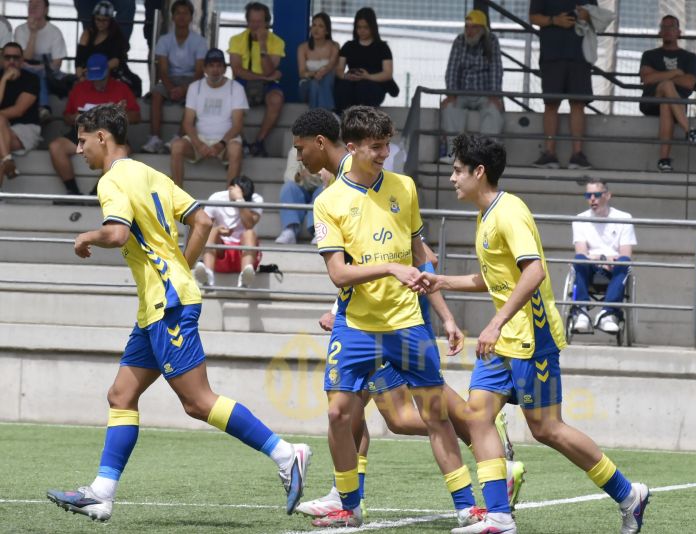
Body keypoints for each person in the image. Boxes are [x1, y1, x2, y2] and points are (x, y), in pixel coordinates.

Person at [44, 103, 310, 523]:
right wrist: (180, 270)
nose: (78, 150)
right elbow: (202, 221)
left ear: (101, 137)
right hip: (159, 302)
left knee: (198, 402)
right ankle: (101, 492)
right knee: (121, 395)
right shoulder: (151, 174)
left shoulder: (112, 180)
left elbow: (116, 233)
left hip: (166, 303)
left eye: (81, 140)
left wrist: (87, 236)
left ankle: (285, 453)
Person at [416, 134, 649, 534]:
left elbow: (534, 271)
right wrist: (441, 282)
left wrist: (495, 322)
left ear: (479, 172)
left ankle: (629, 494)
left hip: (530, 338)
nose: (452, 178)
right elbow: (495, 279)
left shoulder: (510, 212)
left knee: (547, 429)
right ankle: (499, 517)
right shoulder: (485, 213)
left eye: (457, 171)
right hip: (504, 339)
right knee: (478, 418)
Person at [311, 106, 479, 528]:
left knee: (433, 413)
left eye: (388, 144)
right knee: (338, 415)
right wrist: (388, 268)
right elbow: (338, 274)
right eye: (376, 146)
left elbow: (420, 258)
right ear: (351, 148)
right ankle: (348, 505)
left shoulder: (404, 188)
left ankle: (466, 505)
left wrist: (447, 317)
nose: (385, 153)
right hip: (356, 326)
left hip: (407, 323)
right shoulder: (329, 201)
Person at [49, 53, 140, 196]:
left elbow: (136, 117)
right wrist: (76, 117)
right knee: (56, 147)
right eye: (94, 79)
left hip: (111, 135)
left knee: (123, 151)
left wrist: (121, 113)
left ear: (108, 72)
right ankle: (72, 191)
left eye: (101, 78)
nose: (97, 83)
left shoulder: (121, 88)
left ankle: (96, 192)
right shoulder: (79, 88)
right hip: (83, 133)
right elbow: (66, 117)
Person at [529, 0, 596, 170]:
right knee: (551, 104)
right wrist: (554, 21)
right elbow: (534, 17)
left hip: (580, 56)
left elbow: (595, 15)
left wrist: (585, 15)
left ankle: (577, 155)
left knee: (578, 103)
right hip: (552, 55)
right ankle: (549, 154)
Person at [169, 48, 247, 188]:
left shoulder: (236, 88)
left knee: (236, 149)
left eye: (218, 66)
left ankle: (229, 200)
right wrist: (199, 144)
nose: (215, 70)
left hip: (225, 141)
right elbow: (187, 123)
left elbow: (237, 125)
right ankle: (177, 196)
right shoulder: (195, 87)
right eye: (211, 65)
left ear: (224, 69)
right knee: (176, 146)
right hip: (200, 140)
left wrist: (221, 144)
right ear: (204, 68)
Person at [570, 178, 636, 334]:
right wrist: (603, 258)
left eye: (597, 195)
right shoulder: (580, 219)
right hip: (591, 266)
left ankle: (608, 313)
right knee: (578, 260)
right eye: (588, 195)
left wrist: (600, 258)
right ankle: (581, 311)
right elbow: (581, 252)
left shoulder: (625, 218)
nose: (592, 199)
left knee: (624, 262)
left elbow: (625, 253)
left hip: (614, 267)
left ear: (607, 196)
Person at [639, 15, 696, 172]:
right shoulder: (649, 55)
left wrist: (660, 75)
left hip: (675, 105)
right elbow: (647, 79)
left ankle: (664, 160)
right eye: (664, 27)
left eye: (671, 27)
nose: (667, 30)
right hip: (650, 101)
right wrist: (675, 73)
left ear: (679, 32)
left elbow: (689, 83)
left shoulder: (689, 57)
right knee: (667, 86)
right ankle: (689, 130)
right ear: (660, 32)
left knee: (667, 100)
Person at [141, 0, 206, 154]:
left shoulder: (200, 41)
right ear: (172, 17)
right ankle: (155, 138)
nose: (182, 17)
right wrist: (171, 88)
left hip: (191, 80)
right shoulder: (164, 40)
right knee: (157, 92)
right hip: (170, 79)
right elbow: (162, 70)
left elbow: (199, 73)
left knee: (195, 95)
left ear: (191, 17)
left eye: (185, 13)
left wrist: (184, 89)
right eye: (178, 13)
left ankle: (178, 137)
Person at [440, 9, 503, 162]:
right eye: (467, 26)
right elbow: (452, 68)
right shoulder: (459, 40)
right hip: (461, 92)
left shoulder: (491, 41)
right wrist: (451, 94)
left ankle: (486, 155)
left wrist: (495, 95)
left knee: (494, 111)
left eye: (474, 27)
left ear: (482, 29)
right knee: (450, 108)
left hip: (485, 93)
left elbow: (496, 68)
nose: (469, 31)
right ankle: (455, 154)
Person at [228, 1, 285, 158]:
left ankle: (259, 142)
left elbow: (269, 69)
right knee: (232, 94)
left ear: (267, 22)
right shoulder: (236, 39)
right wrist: (264, 77)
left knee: (276, 99)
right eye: (252, 21)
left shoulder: (277, 42)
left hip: (266, 83)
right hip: (244, 81)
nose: (254, 25)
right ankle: (243, 142)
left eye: (259, 22)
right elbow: (237, 69)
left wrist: (262, 46)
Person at [194, 175, 263, 289]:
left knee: (249, 233)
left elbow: (249, 224)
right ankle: (208, 275)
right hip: (221, 252)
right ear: (230, 188)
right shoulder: (216, 198)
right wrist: (218, 230)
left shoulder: (257, 199)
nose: (246, 199)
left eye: (246, 198)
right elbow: (203, 228)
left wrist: (240, 200)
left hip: (245, 252)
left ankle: (244, 278)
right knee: (211, 231)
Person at [334, 7, 396, 112]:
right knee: (343, 87)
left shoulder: (382, 48)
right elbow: (339, 69)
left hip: (374, 85)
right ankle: (342, 119)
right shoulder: (348, 46)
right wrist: (346, 76)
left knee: (363, 88)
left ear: (373, 27)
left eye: (366, 27)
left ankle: (363, 123)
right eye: (359, 27)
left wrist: (368, 76)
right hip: (352, 84)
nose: (362, 31)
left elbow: (387, 73)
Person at [13, 0, 68, 119]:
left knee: (40, 73)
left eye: (37, 5)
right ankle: (43, 107)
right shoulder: (20, 30)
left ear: (46, 10)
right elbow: (25, 58)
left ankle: (44, 108)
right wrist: (33, 33)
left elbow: (57, 64)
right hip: (26, 70)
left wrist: (37, 68)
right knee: (33, 73)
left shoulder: (54, 32)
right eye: (30, 5)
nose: (32, 7)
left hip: (47, 72)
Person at [76, 1, 141, 97]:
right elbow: (79, 61)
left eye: (104, 20)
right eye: (98, 19)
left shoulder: (116, 36)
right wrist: (81, 77)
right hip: (89, 74)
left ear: (110, 20)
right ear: (93, 19)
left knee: (134, 83)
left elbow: (116, 60)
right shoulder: (87, 34)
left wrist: (96, 72)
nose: (100, 23)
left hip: (111, 74)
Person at [0, 41, 41, 185]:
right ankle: (7, 160)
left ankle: (6, 160)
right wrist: (4, 80)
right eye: (7, 57)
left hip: (26, 128)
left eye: (16, 58)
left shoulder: (31, 79)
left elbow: (18, 111)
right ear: (1, 59)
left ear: (22, 60)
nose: (11, 61)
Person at [297, 12, 338, 111]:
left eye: (320, 26)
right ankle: (328, 114)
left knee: (327, 77)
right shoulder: (302, 48)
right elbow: (302, 73)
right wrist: (314, 74)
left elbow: (332, 66)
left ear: (327, 31)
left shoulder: (334, 46)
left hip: (328, 85)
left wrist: (323, 71)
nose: (316, 29)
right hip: (307, 85)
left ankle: (314, 119)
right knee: (314, 83)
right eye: (314, 25)